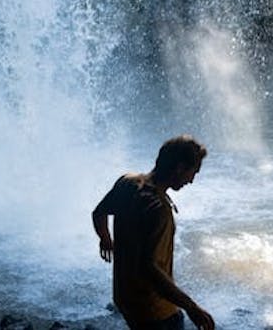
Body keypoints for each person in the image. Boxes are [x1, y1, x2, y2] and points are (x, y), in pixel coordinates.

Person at [92, 135, 215, 330]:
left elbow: (99, 213)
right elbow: (149, 269)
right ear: (180, 168)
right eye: (194, 172)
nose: (191, 180)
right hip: (153, 309)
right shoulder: (158, 209)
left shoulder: (127, 183)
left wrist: (106, 239)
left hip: (125, 298)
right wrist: (192, 308)